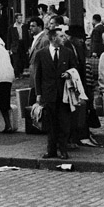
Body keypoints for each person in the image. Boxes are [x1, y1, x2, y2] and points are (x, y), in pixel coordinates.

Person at [35, 28, 77, 160]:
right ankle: (51, 150)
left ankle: (63, 150)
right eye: (61, 36)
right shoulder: (41, 54)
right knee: (50, 122)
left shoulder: (68, 52)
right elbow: (38, 75)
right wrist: (38, 93)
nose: (64, 38)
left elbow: (75, 69)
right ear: (53, 38)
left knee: (64, 122)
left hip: (64, 92)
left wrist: (69, 74)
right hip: (49, 93)